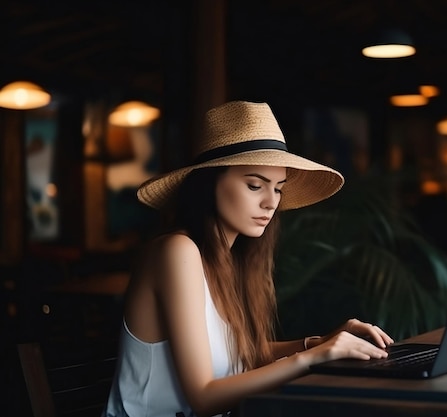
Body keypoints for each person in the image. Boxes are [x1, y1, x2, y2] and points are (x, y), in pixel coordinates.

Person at [102, 100, 394, 417]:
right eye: (255, 185)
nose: (271, 202)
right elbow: (203, 397)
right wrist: (313, 357)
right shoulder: (177, 251)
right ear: (209, 183)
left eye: (278, 188)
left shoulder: (232, 260)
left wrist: (321, 342)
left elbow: (240, 355)